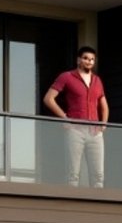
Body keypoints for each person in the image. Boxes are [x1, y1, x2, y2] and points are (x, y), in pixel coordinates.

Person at [43, 45, 108, 187]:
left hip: (95, 133)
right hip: (75, 131)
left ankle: (98, 207)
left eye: (92, 59)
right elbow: (48, 99)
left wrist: (103, 124)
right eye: (85, 58)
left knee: (98, 176)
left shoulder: (97, 81)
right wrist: (65, 118)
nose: (89, 61)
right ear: (78, 60)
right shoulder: (67, 76)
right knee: (73, 174)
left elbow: (104, 105)